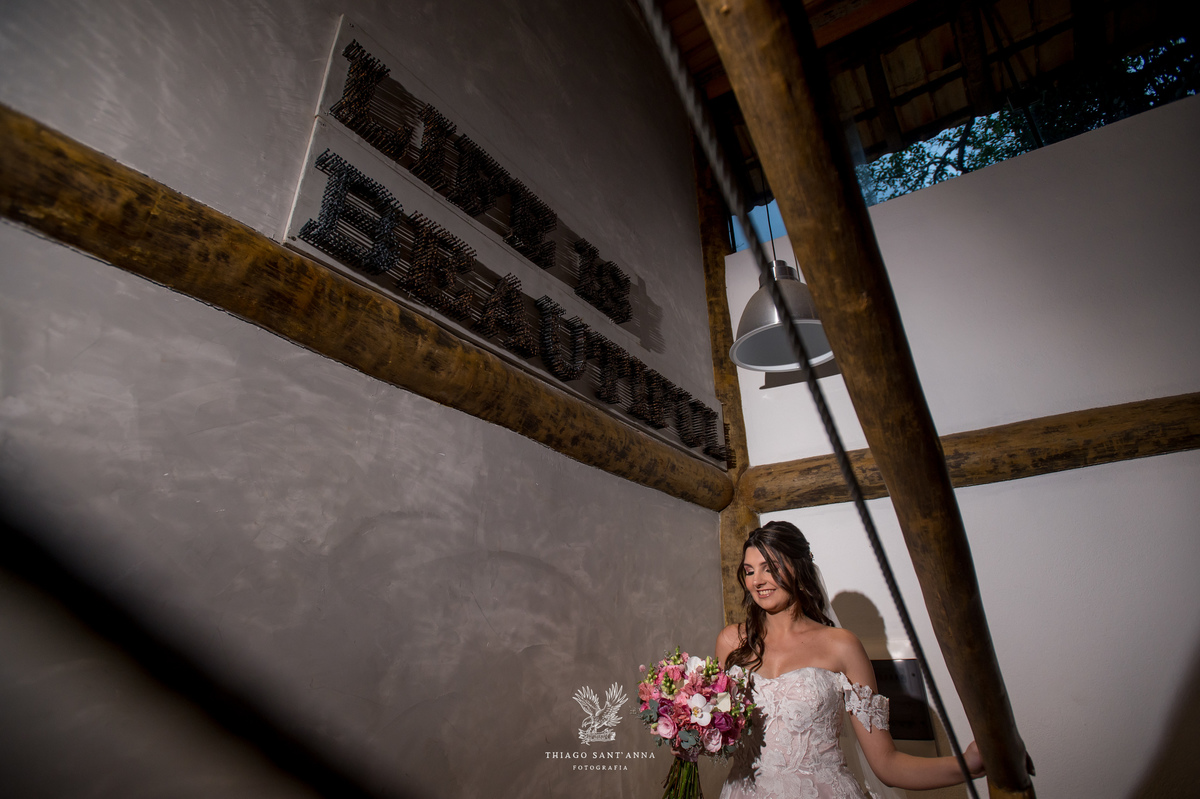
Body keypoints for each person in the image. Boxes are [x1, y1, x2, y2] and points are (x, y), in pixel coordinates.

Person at [717, 521, 985, 799]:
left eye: (770, 568)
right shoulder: (731, 642)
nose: (757, 581)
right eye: (749, 571)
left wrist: (968, 764)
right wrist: (691, 733)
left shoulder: (842, 646)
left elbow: (887, 764)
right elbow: (718, 734)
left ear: (799, 568)